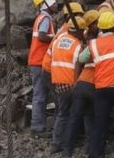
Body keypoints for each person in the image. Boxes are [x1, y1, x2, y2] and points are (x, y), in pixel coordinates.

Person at [79, 11, 114, 158]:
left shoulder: (94, 44)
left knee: (100, 123)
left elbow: (81, 58)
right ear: (113, 26)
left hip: (101, 89)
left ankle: (95, 154)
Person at [63, 11, 99, 157]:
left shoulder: (88, 44)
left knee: (74, 118)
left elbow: (79, 61)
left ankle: (67, 150)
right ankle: (91, 149)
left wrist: (76, 82)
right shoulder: (99, 44)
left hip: (81, 84)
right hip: (94, 86)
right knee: (93, 117)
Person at [50, 17, 85, 154]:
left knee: (62, 113)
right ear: (79, 30)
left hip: (57, 80)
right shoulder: (77, 45)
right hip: (70, 82)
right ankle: (67, 143)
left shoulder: (58, 39)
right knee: (72, 114)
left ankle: (56, 143)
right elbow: (78, 64)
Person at [29, 0, 58, 137]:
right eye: (53, 2)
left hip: (38, 61)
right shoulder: (45, 18)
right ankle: (37, 128)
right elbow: (41, 36)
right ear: (45, 3)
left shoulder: (41, 17)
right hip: (39, 62)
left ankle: (38, 126)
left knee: (40, 95)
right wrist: (56, 39)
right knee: (40, 95)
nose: (56, 4)